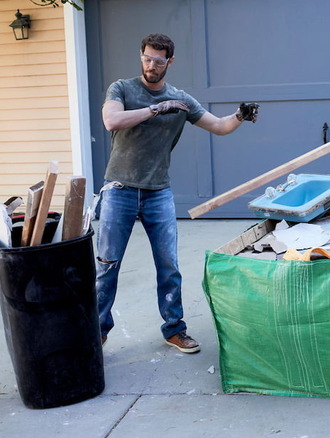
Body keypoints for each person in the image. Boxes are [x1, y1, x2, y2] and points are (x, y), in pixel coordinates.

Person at [97, 33, 258, 353]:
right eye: (146, 58)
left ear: (170, 62)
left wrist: (240, 116)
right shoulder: (122, 88)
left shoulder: (181, 100)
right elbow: (111, 120)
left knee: (169, 265)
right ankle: (96, 331)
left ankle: (174, 329)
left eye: (158, 60)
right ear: (140, 56)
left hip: (158, 193)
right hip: (120, 189)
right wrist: (156, 109)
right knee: (107, 263)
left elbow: (219, 126)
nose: (151, 65)